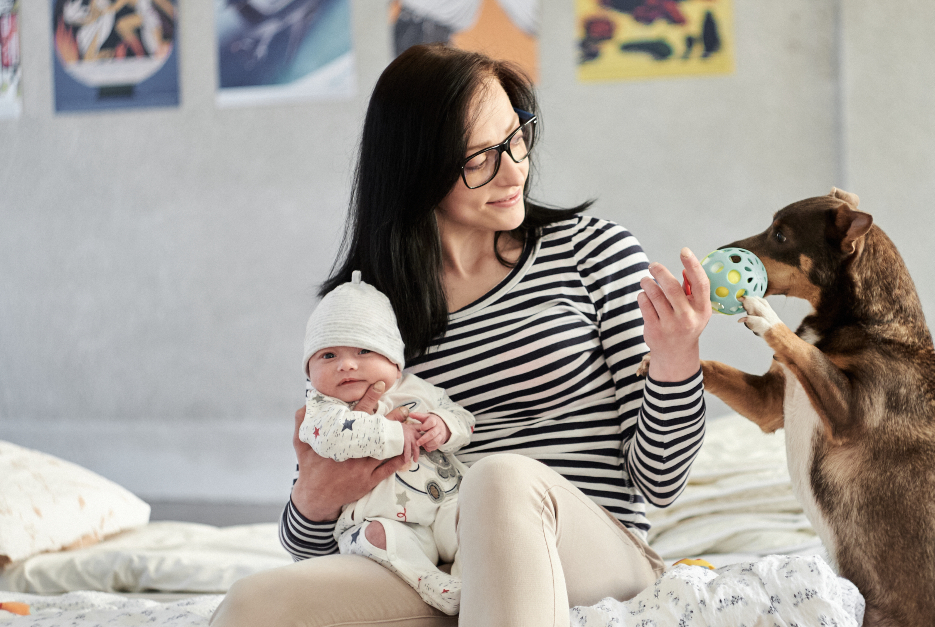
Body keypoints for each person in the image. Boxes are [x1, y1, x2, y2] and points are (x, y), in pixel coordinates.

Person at [210, 44, 711, 627]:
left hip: (590, 548)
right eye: (479, 157)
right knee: (253, 605)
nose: (513, 169)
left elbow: (661, 480)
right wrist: (315, 500)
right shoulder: (366, 310)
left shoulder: (592, 251)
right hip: (436, 567)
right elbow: (309, 546)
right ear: (415, 167)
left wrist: (677, 359)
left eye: (516, 138)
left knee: (499, 480)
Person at [300, 270, 475, 614]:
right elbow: (335, 438)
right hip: (390, 524)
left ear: (395, 362)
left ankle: (470, 578)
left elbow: (464, 419)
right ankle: (429, 581)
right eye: (328, 356)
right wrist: (396, 434)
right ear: (309, 372)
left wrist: (444, 426)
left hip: (445, 505)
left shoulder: (417, 390)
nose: (346, 365)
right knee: (374, 537)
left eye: (364, 350)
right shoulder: (323, 410)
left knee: (477, 519)